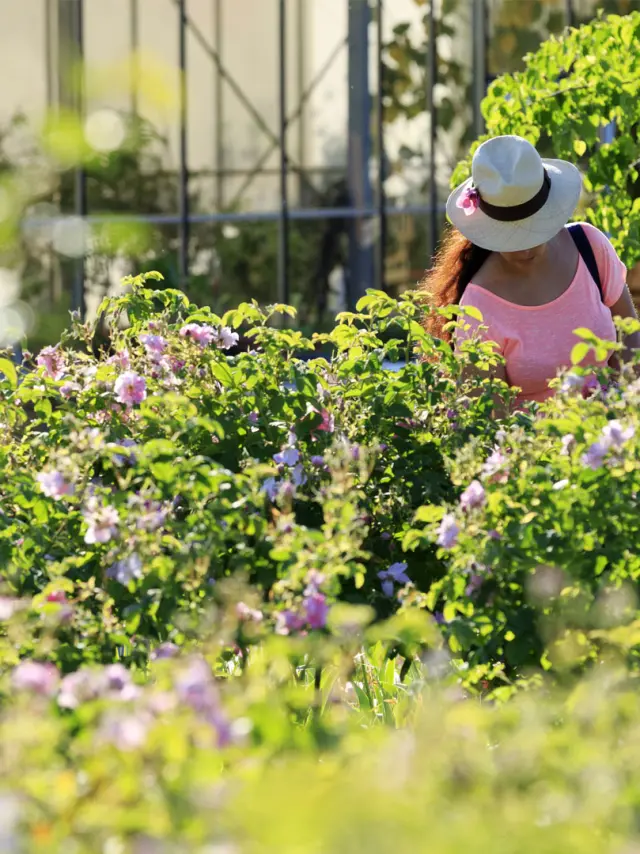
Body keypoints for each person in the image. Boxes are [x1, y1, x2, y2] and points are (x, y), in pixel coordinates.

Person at [422, 135, 640, 407]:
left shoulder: (590, 248)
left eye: (533, 230)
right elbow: (489, 422)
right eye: (511, 237)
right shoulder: (478, 307)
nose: (525, 249)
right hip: (534, 446)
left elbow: (631, 338)